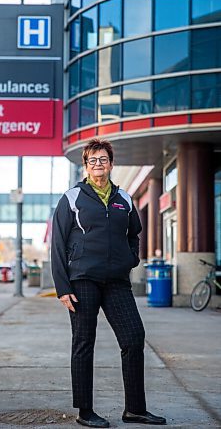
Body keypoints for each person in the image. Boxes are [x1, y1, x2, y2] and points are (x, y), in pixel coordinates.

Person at [51, 139, 166, 428]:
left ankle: (135, 409)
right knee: (83, 343)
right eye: (92, 160)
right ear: (86, 165)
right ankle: (85, 411)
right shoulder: (72, 198)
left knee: (133, 338)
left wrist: (130, 259)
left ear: (111, 164)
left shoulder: (124, 199)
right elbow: (57, 244)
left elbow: (134, 234)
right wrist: (63, 288)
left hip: (116, 281)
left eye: (103, 159)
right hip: (82, 280)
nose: (98, 164)